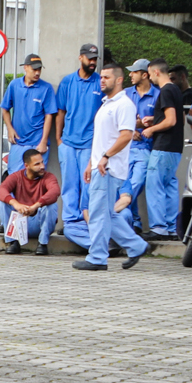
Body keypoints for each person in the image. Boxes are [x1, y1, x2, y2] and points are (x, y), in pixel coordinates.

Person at [74, 63, 149, 271]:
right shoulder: (106, 103)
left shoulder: (124, 104)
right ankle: (136, 246)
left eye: (106, 77)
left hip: (108, 168)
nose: (102, 80)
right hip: (100, 166)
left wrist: (106, 157)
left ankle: (97, 257)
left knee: (98, 213)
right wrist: (91, 162)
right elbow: (101, 139)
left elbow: (126, 135)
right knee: (107, 213)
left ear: (119, 80)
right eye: (101, 77)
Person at [54, 44, 104, 246]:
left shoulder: (100, 82)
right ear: (80, 57)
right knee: (69, 184)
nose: (93, 62)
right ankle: (70, 221)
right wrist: (59, 140)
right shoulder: (67, 81)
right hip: (68, 143)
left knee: (88, 185)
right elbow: (61, 112)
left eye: (95, 59)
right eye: (89, 58)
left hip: (89, 145)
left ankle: (87, 222)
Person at [0, 53, 59, 202]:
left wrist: (44, 141)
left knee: (37, 180)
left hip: (37, 143)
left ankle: (34, 218)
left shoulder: (46, 88)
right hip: (19, 142)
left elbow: (49, 116)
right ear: (25, 68)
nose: (37, 72)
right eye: (34, 69)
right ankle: (13, 219)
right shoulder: (14, 85)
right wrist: (10, 128)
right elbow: (5, 109)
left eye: (39, 69)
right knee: (14, 179)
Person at [144, 63, 188, 239]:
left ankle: (158, 228)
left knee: (154, 185)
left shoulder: (166, 91)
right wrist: (155, 119)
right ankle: (171, 228)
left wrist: (152, 129)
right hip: (176, 148)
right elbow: (181, 119)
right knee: (169, 185)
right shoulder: (176, 90)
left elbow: (170, 121)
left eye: (149, 74)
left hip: (163, 146)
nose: (149, 78)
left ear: (156, 72)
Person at [0, 147, 60, 256]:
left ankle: (42, 244)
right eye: (37, 164)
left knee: (51, 205)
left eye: (42, 162)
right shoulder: (16, 176)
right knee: (2, 202)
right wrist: (16, 204)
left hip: (38, 223)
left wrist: (35, 206)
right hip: (20, 222)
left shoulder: (49, 177)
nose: (42, 166)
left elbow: (55, 191)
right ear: (27, 166)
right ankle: (12, 242)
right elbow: (0, 190)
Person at [123, 60, 160, 234]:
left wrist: (148, 125)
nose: (130, 75)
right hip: (125, 147)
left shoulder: (158, 95)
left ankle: (117, 214)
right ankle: (134, 222)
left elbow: (165, 121)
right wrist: (131, 130)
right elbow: (116, 119)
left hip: (146, 148)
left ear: (145, 75)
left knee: (135, 184)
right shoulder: (125, 94)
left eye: (134, 72)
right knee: (126, 184)